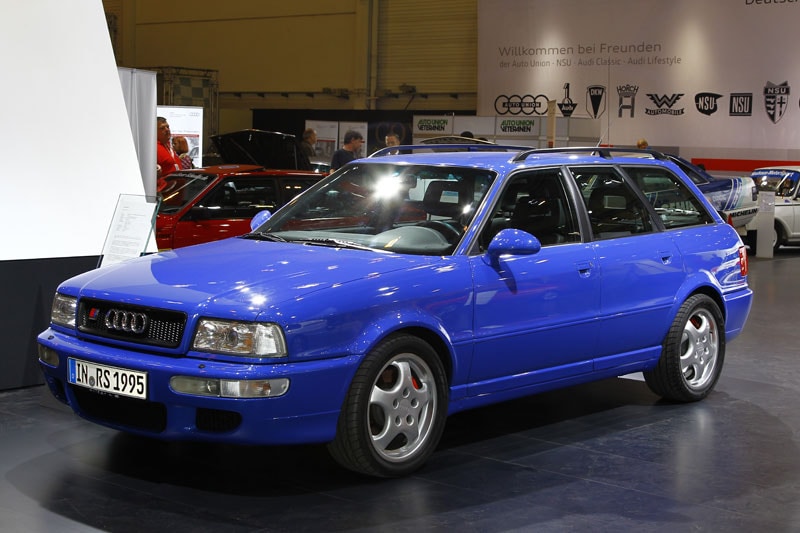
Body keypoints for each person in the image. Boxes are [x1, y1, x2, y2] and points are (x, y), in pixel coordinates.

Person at [156, 117, 182, 190]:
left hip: (176, 191)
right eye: (162, 128)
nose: (167, 129)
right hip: (164, 192)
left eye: (167, 127)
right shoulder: (153, 148)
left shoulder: (168, 146)